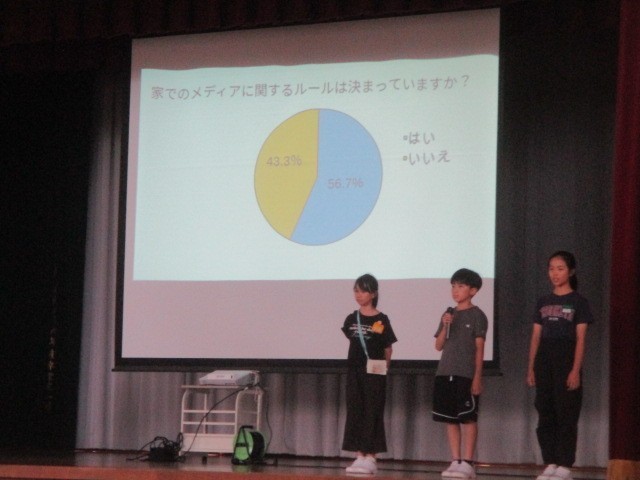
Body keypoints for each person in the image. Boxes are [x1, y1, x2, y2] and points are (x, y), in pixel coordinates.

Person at [527, 251, 594, 480]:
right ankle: (551, 461)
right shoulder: (543, 301)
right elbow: (536, 336)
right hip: (544, 359)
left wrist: (575, 370)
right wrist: (531, 367)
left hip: (566, 358)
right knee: (545, 411)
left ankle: (565, 464)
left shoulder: (578, 302)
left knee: (566, 412)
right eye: (551, 268)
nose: (554, 273)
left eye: (560, 268)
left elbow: (581, 338)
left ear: (571, 271)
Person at [432, 268, 488, 480]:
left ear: (473, 290)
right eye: (453, 286)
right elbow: (438, 346)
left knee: (468, 418)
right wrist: (446, 324)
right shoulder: (448, 314)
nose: (455, 290)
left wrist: (477, 377)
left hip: (466, 374)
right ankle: (455, 460)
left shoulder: (477, 315)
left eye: (461, 286)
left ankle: (468, 462)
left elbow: (480, 349)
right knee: (450, 419)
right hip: (445, 372)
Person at [342, 273, 397, 475]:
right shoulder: (351, 318)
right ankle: (359, 455)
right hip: (354, 371)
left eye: (363, 291)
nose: (359, 295)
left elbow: (388, 348)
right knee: (356, 410)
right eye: (356, 291)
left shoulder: (382, 319)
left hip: (375, 372)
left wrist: (384, 369)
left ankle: (371, 456)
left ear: (373, 294)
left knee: (372, 411)